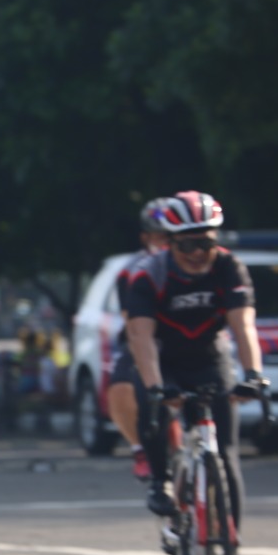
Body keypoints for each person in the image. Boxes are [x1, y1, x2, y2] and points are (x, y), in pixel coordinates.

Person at [125, 190, 266, 555]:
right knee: (148, 401)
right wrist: (156, 388)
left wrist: (253, 374)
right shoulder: (148, 275)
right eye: (188, 244)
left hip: (208, 357)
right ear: (170, 242)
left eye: (206, 242)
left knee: (225, 455)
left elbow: (243, 327)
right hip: (163, 358)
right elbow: (141, 337)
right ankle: (159, 479)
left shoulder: (229, 268)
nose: (199, 252)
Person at [107, 199, 170, 482]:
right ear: (145, 236)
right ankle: (140, 448)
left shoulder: (207, 261)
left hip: (192, 342)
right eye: (159, 235)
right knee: (121, 386)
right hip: (145, 338)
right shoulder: (133, 269)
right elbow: (131, 320)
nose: (166, 242)